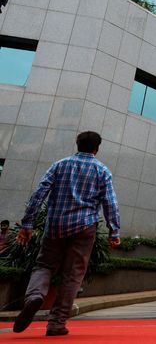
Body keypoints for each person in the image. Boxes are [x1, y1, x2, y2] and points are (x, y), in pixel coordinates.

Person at [13, 131, 121, 337]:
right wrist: (113, 231)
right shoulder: (102, 170)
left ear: (77, 144)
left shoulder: (59, 165)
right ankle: (56, 323)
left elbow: (39, 194)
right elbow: (110, 203)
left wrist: (27, 224)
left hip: (55, 225)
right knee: (73, 274)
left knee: (44, 264)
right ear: (96, 149)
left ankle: (35, 295)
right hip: (84, 227)